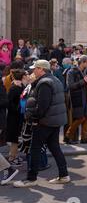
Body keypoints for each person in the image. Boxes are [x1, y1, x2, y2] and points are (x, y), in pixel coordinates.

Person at [13, 60, 69, 188]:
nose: (33, 71)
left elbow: (42, 106)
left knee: (34, 149)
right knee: (54, 148)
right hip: (54, 121)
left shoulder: (45, 83)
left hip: (45, 121)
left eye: (35, 69)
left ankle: (31, 178)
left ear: (41, 69)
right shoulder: (54, 80)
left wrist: (32, 116)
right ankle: (64, 174)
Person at [65, 55, 87, 144]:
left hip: (85, 97)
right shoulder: (71, 72)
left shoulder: (84, 72)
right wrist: (83, 82)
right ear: (82, 62)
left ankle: (84, 138)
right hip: (77, 98)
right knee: (80, 118)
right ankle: (68, 135)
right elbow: (70, 86)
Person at [6, 69, 26, 166]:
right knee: (14, 138)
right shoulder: (14, 88)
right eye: (25, 75)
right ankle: (12, 158)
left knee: (17, 137)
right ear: (22, 77)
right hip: (14, 117)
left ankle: (14, 156)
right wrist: (18, 109)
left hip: (19, 116)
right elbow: (9, 103)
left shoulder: (21, 86)